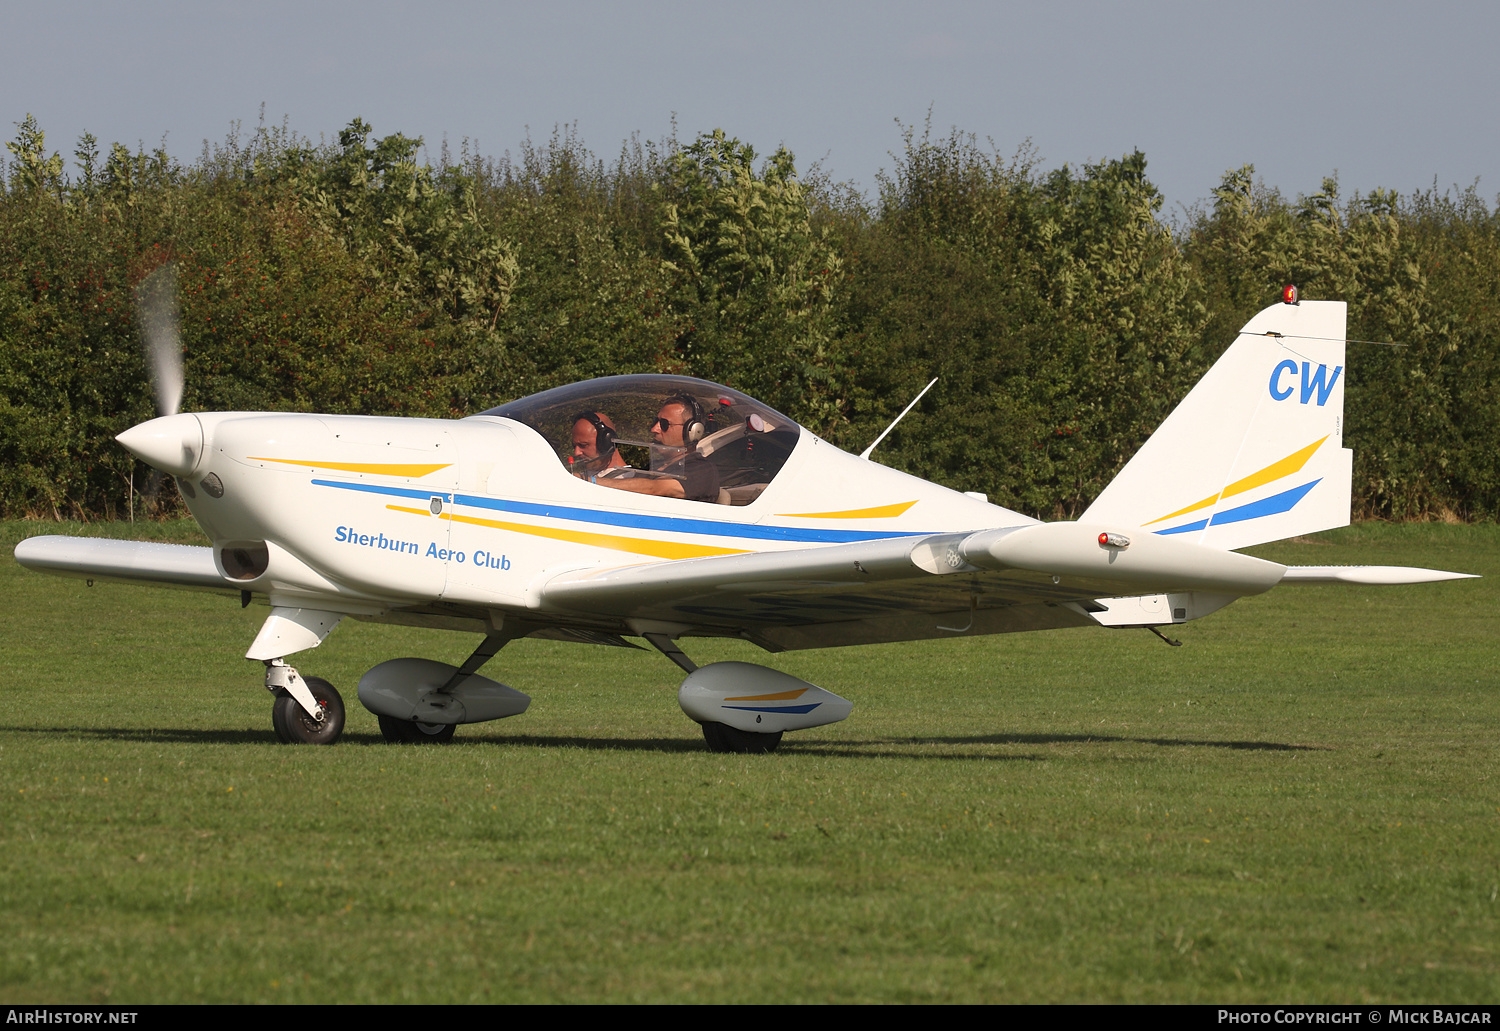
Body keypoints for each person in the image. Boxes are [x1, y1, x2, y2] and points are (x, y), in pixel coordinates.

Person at [588, 396, 722, 503]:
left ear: (692, 431)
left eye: (664, 424)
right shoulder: (652, 468)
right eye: (655, 422)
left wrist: (589, 482)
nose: (654, 429)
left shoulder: (703, 470)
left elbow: (655, 488)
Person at [569, 411, 628, 482]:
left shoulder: (634, 480)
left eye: (583, 445)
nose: (576, 453)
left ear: (607, 442)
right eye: (574, 446)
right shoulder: (577, 477)